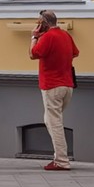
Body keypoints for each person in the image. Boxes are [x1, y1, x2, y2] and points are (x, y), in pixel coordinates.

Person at [29, 9, 79, 170]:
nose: (37, 25)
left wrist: (34, 37)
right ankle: (59, 157)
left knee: (55, 122)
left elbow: (32, 54)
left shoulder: (47, 37)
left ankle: (62, 161)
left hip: (52, 86)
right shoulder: (65, 35)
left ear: (44, 23)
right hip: (67, 85)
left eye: (38, 22)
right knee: (50, 120)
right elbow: (75, 53)